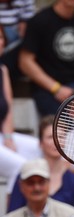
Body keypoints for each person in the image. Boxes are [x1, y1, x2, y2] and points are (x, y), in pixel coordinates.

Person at [19, 0, 74, 116]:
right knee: (58, 126)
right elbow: (25, 62)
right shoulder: (39, 20)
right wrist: (55, 88)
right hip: (46, 89)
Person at [8, 115, 74, 214]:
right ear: (40, 143)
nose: (56, 141)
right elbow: (13, 215)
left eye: (61, 137)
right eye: (50, 137)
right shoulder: (25, 177)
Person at [0, 24, 42, 197]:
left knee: (42, 150)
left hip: (2, 136)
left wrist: (9, 138)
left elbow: (8, 109)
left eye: (1, 38)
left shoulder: (2, 70)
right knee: (23, 168)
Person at [0, 158, 74, 217]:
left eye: (41, 182)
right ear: (21, 186)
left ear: (49, 183)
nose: (37, 188)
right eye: (30, 183)